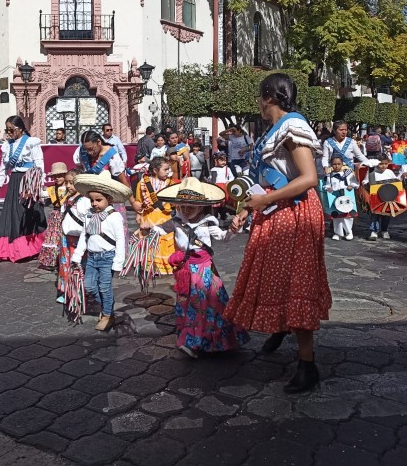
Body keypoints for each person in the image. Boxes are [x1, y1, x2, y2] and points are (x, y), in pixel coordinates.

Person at [224, 72, 331, 394]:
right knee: (274, 277)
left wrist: (265, 201)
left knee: (295, 280)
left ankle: (307, 365)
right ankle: (283, 326)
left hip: (294, 212)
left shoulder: (293, 127)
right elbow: (267, 180)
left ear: (268, 97)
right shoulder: (272, 131)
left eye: (259, 97)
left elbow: (309, 178)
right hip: (275, 211)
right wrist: (245, 209)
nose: (258, 102)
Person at [156, 177, 250, 358]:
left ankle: (199, 341)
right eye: (182, 205)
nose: (185, 209)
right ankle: (191, 339)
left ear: (201, 206)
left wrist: (233, 229)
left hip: (204, 271)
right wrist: (147, 228)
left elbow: (224, 237)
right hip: (185, 269)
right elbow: (160, 229)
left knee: (207, 304)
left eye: (190, 206)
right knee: (187, 303)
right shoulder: (176, 220)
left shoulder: (208, 221)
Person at [70, 173, 130, 332]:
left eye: (98, 200)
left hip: (107, 258)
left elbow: (120, 239)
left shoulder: (114, 216)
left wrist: (118, 262)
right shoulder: (89, 215)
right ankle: (107, 306)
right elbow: (85, 235)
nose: (94, 203)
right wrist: (77, 255)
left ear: (109, 200)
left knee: (104, 287)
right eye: (92, 200)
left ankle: (108, 315)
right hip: (91, 257)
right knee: (89, 286)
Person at [0, 115, 46, 262]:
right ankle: (12, 248)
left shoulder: (31, 142)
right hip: (15, 181)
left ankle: (30, 247)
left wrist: (37, 185)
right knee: (12, 214)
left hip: (28, 180)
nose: (9, 132)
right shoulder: (7, 145)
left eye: (11, 129)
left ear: (20, 128)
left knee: (26, 212)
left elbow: (39, 164)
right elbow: (3, 167)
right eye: (7, 129)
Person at [130, 157, 177, 275]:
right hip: (148, 217)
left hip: (165, 217)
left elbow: (174, 203)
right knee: (149, 240)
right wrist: (138, 215)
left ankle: (165, 267)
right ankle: (149, 265)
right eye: (165, 169)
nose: (168, 172)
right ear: (155, 170)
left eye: (168, 169)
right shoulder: (143, 183)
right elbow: (139, 200)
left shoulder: (170, 183)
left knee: (164, 242)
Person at [57, 167, 89, 304]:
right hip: (66, 239)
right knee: (66, 266)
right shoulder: (67, 199)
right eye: (67, 183)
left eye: (72, 183)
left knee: (78, 266)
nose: (68, 186)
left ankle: (79, 292)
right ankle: (67, 291)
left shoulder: (85, 201)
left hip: (78, 240)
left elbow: (87, 223)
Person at [38, 162, 68, 271]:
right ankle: (51, 261)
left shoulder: (69, 189)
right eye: (55, 176)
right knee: (52, 238)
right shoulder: (51, 189)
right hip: (55, 216)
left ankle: (63, 259)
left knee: (63, 237)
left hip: (66, 215)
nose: (57, 178)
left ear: (65, 176)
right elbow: (42, 194)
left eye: (59, 176)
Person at [325, 154, 358, 241]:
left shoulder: (348, 173)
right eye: (334, 164)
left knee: (348, 216)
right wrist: (328, 188)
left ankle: (349, 232)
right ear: (331, 165)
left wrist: (351, 186)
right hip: (335, 197)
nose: (336, 166)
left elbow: (355, 183)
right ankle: (338, 233)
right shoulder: (330, 176)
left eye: (339, 164)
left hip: (346, 196)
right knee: (337, 216)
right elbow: (326, 185)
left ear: (342, 164)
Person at [365, 156, 397, 240]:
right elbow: (365, 181)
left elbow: (396, 181)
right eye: (381, 164)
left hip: (388, 197)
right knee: (375, 215)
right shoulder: (372, 173)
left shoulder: (389, 172)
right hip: (376, 197)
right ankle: (374, 231)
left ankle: (384, 230)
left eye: (386, 164)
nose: (383, 166)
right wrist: (367, 184)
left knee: (386, 215)